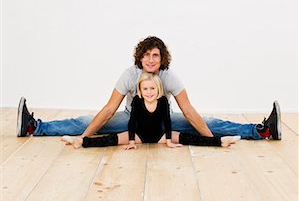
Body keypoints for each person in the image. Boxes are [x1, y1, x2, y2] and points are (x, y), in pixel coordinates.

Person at [17, 36, 282, 145]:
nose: (151, 60)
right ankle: (34, 128)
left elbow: (188, 110)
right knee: (85, 121)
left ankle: (261, 131)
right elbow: (110, 108)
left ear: (161, 58)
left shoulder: (169, 76)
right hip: (134, 121)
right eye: (147, 55)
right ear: (140, 57)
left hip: (163, 124)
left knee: (210, 121)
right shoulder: (130, 74)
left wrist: (210, 142)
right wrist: (84, 138)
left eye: (156, 55)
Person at [61, 72, 241, 149]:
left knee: (189, 138)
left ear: (159, 89)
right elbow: (132, 122)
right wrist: (131, 141)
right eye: (145, 89)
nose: (149, 92)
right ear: (140, 90)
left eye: (152, 89)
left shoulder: (163, 102)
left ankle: (220, 142)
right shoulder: (138, 103)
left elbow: (168, 122)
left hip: (160, 135)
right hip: (139, 135)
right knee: (110, 140)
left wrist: (169, 140)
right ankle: (81, 142)